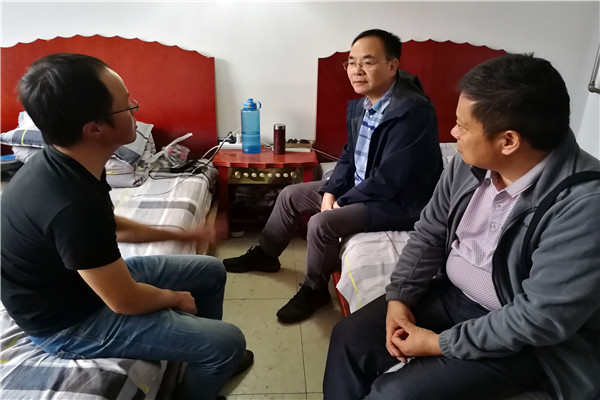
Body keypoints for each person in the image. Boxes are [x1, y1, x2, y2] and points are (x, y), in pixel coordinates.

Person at [323, 53, 600, 400]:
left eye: (463, 126)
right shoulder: (467, 165)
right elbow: (430, 232)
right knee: (348, 338)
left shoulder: (583, 204)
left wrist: (440, 343)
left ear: (508, 141)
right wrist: (399, 296)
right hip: (451, 296)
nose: (453, 133)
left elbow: (540, 317)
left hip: (519, 334)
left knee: (395, 394)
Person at [0, 53, 253, 400]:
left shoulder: (71, 160)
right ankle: (211, 362)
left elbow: (109, 226)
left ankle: (204, 361)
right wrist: (174, 298)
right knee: (228, 342)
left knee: (209, 270)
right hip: (67, 323)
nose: (136, 110)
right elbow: (124, 300)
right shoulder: (70, 202)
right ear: (94, 128)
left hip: (82, 284)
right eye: (127, 105)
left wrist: (184, 234)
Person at [224, 29, 442, 323]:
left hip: (400, 202)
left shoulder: (413, 113)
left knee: (322, 223)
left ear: (392, 66)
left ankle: (315, 289)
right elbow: (350, 155)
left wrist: (342, 201)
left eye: (368, 62)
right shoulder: (365, 104)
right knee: (290, 195)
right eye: (351, 62)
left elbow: (390, 178)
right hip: (365, 187)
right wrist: (330, 190)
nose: (357, 70)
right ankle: (266, 254)